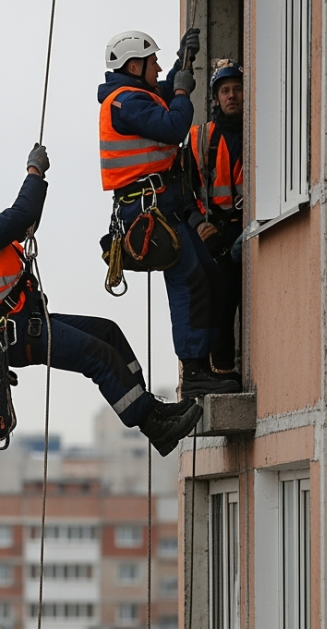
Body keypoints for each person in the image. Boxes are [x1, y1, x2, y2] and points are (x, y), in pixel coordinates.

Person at [0, 146, 202, 456]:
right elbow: (22, 216)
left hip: (24, 323)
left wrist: (35, 187)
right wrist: (35, 173)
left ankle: (148, 405)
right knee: (97, 355)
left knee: (107, 333)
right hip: (17, 333)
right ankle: (152, 424)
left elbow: (23, 224)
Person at [98, 28, 240, 399]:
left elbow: (160, 95)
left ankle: (203, 364)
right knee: (190, 280)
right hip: (147, 209)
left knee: (208, 273)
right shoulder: (125, 102)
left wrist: (183, 60)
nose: (159, 68)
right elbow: (173, 124)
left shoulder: (136, 96)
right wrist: (181, 90)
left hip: (161, 205)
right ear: (134, 65)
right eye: (153, 62)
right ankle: (194, 371)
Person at [188, 60, 244, 383]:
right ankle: (221, 370)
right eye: (225, 90)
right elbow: (183, 190)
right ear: (215, 98)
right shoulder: (201, 140)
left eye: (237, 89)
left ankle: (223, 368)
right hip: (215, 234)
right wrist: (199, 223)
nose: (232, 96)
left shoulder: (259, 133)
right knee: (218, 305)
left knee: (233, 299)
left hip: (246, 226)